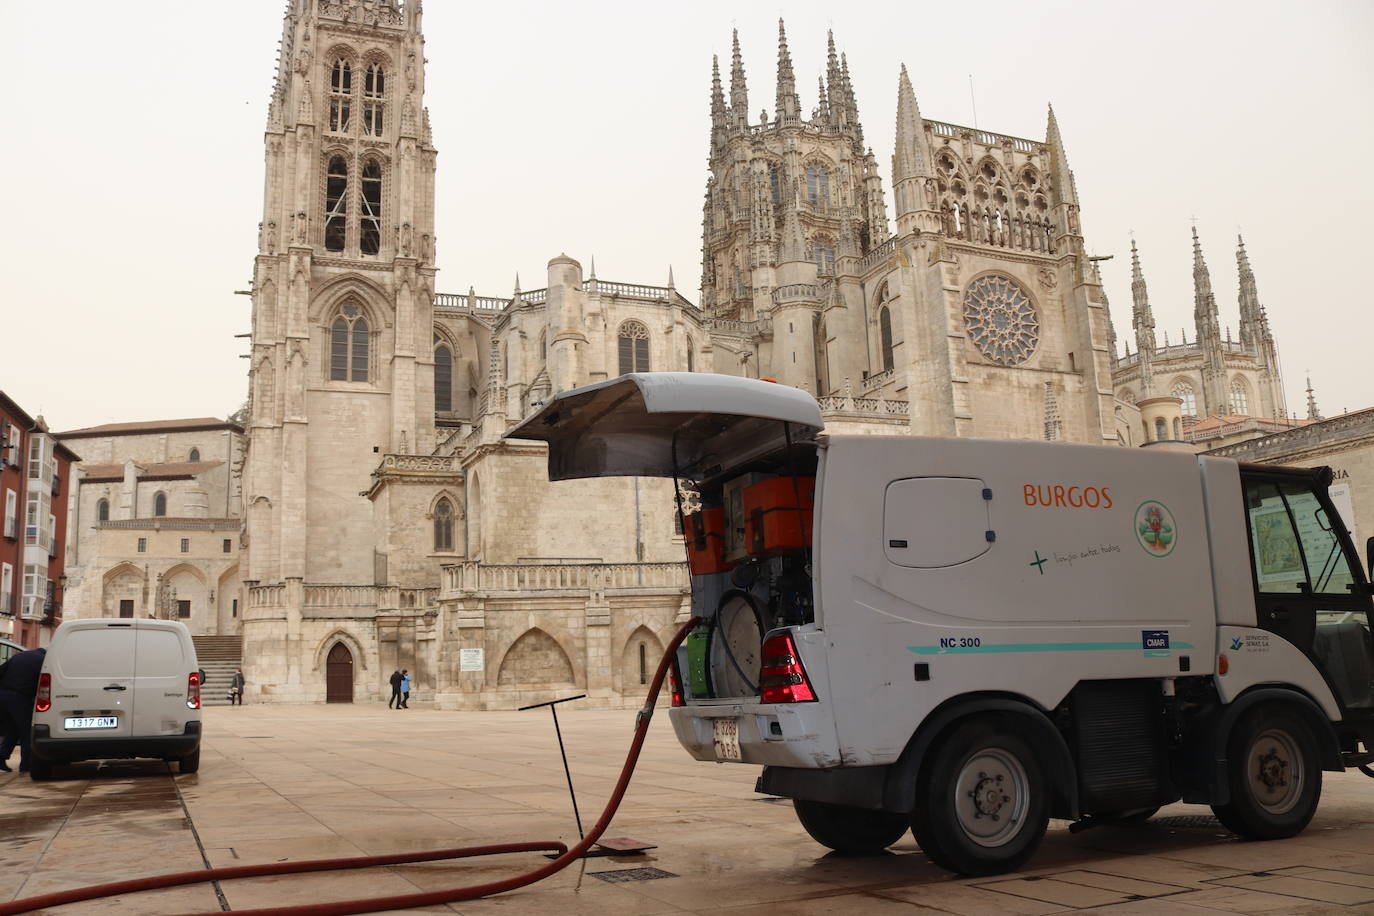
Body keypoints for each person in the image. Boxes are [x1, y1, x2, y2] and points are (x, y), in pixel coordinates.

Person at [0, 647, 46, 774]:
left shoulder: (18, 656)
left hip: (3, 695)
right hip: (19, 698)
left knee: (13, 729)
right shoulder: (43, 661)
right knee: (26, 732)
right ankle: (26, 765)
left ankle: (1, 756)